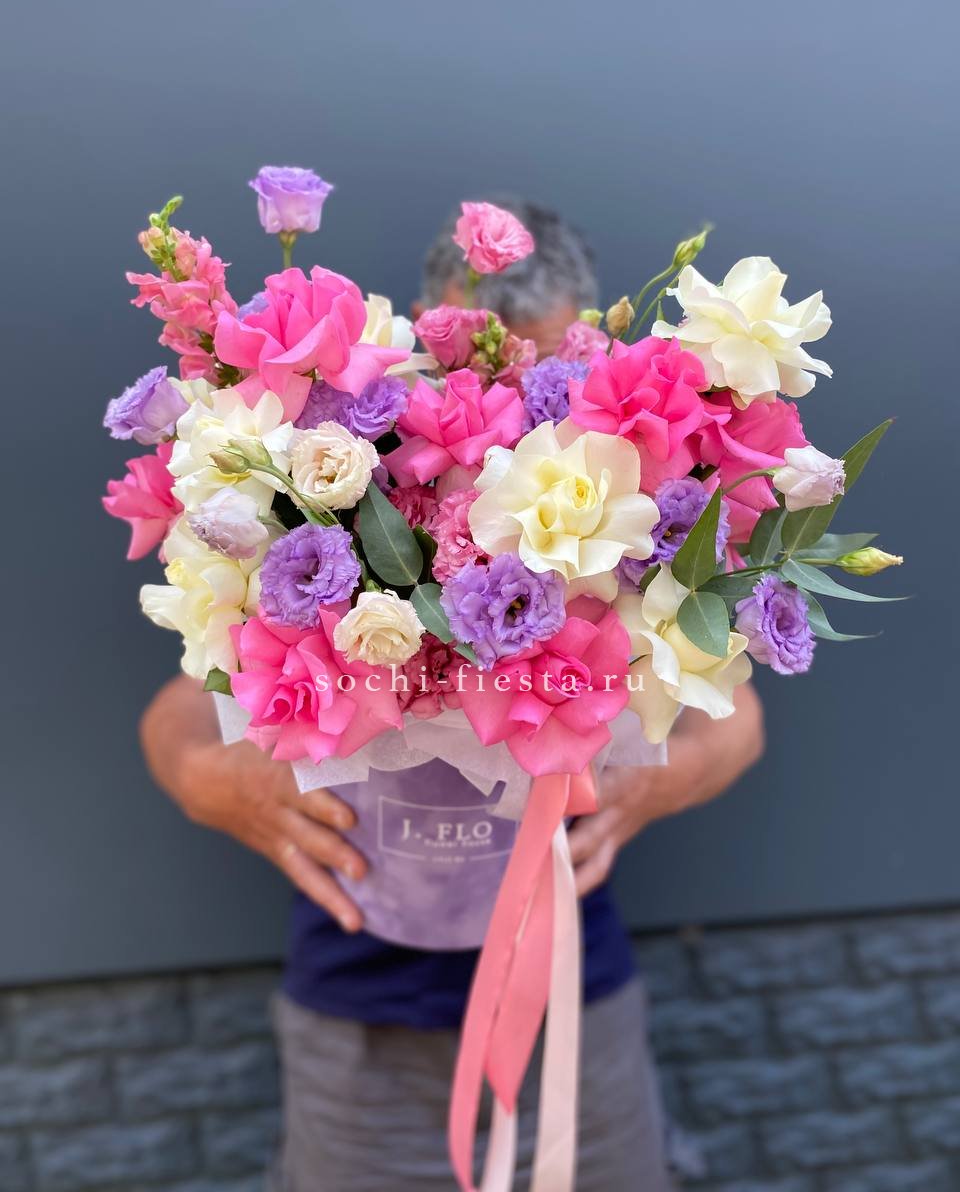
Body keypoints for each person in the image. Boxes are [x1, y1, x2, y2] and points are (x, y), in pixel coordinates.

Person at [140, 198, 765, 1192]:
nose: (519, 403)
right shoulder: (343, 498)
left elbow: (736, 719)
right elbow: (178, 714)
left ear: (594, 342)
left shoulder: (630, 512)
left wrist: (652, 783)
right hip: (359, 995)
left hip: (571, 987)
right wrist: (230, 787)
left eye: (548, 377)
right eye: (483, 358)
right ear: (426, 337)